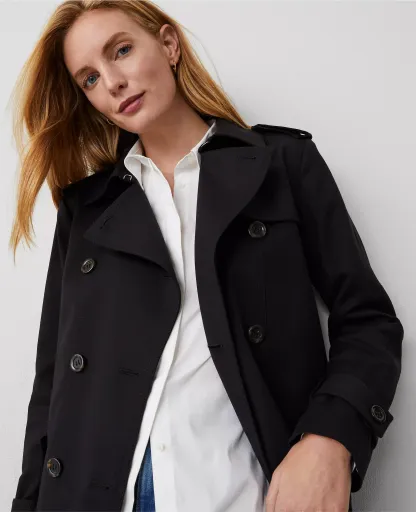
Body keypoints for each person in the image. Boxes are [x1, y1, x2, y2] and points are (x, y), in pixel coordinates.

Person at [8, 1, 404, 511]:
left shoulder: (281, 165)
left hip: (246, 491)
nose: (113, 82)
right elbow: (53, 382)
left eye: (121, 51)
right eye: (89, 78)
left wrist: (330, 437)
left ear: (168, 44)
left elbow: (368, 321)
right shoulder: (88, 210)